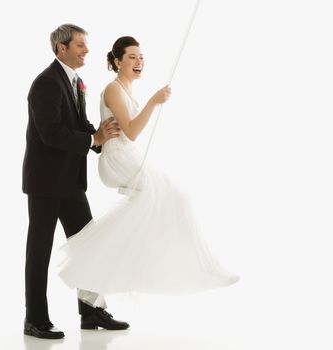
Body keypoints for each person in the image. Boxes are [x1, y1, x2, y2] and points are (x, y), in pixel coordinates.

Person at [58, 36, 239, 303]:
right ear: (117, 62)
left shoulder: (126, 89)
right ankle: (203, 267)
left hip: (128, 157)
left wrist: (151, 102)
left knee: (165, 203)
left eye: (141, 57)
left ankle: (104, 269)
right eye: (132, 57)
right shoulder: (113, 89)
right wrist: (154, 102)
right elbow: (130, 132)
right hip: (116, 160)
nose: (139, 62)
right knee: (174, 198)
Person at [22, 24, 129, 340]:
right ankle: (35, 320)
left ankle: (92, 312)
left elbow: (78, 125)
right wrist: (91, 137)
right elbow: (50, 132)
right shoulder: (45, 83)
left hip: (70, 182)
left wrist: (101, 137)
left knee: (89, 247)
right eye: (80, 45)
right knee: (39, 251)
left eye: (86, 45)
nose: (86, 51)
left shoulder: (77, 82)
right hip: (44, 182)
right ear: (61, 48)